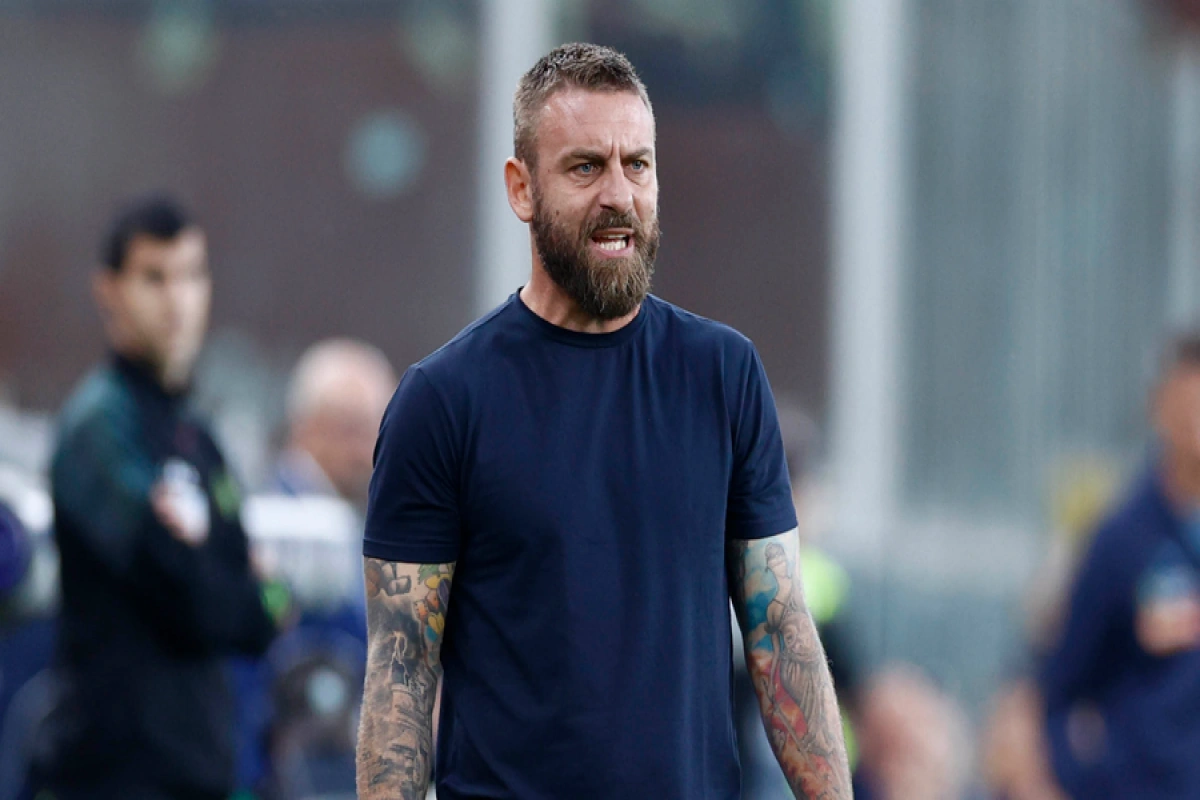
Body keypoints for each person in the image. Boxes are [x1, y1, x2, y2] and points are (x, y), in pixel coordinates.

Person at [356, 43, 851, 800]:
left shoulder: (723, 374)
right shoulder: (443, 401)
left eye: (637, 165)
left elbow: (780, 633)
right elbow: (401, 674)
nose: (619, 194)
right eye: (586, 167)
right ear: (522, 189)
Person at [33, 195, 279, 799]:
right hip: (110, 778)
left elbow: (260, 618)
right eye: (154, 278)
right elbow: (189, 595)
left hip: (201, 774)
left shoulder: (198, 435)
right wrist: (240, 586)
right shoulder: (98, 427)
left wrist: (246, 591)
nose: (177, 300)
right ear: (109, 290)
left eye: (191, 275)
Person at [1039, 331, 1200, 798]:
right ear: (1158, 408)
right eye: (1185, 405)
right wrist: (1092, 779)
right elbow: (1062, 684)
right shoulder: (1121, 540)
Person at [274, 338, 397, 509]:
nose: (366, 454)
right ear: (308, 426)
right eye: (354, 432)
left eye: (378, 437)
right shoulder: (277, 512)